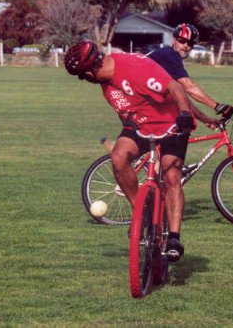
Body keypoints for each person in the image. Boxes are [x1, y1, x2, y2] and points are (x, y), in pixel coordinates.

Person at [64, 40, 219, 262]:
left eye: (81, 75)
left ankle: (174, 238)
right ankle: (143, 214)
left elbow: (175, 88)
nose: (84, 80)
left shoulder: (134, 68)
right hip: (142, 126)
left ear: (89, 71)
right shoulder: (106, 84)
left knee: (171, 174)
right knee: (118, 156)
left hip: (173, 123)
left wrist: (186, 114)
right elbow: (126, 112)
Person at [148, 23, 233, 118]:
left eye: (190, 43)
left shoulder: (169, 58)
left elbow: (182, 98)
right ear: (174, 40)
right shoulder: (170, 54)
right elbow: (190, 87)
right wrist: (217, 106)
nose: (186, 46)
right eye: (182, 41)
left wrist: (206, 120)